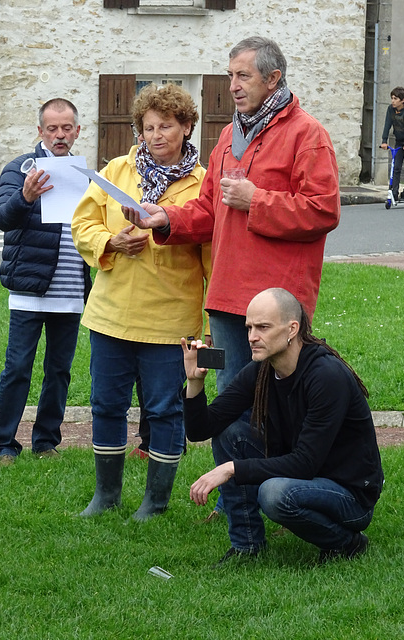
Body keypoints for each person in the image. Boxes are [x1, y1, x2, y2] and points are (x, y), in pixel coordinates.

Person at [123, 36, 340, 517]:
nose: (233, 85)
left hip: (276, 302)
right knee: (230, 404)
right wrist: (166, 219)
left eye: (243, 75)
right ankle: (234, 500)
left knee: (279, 407)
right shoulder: (229, 136)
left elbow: (323, 210)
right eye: (230, 75)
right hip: (225, 297)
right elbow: (207, 210)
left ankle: (284, 498)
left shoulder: (308, 134)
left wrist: (256, 200)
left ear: (273, 79)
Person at [71, 83, 210, 521]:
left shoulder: (202, 185)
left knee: (164, 410)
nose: (155, 135)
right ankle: (106, 496)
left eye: (166, 125)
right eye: (148, 127)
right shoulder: (116, 171)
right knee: (106, 404)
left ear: (187, 127)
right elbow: (82, 225)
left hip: (171, 320)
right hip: (110, 314)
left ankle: (156, 502)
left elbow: (214, 260)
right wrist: (110, 242)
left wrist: (207, 327)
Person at [182, 288, 384, 565]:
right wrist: (195, 383)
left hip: (349, 495)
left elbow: (304, 464)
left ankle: (348, 543)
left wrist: (231, 469)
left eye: (263, 327)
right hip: (306, 478)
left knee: (274, 493)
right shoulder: (262, 370)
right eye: (249, 327)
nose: (252, 336)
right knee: (230, 435)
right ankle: (246, 546)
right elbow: (200, 430)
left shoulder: (326, 376)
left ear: (292, 329)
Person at [0, 98, 91, 465]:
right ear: (40, 131)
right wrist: (25, 197)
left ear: (78, 131)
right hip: (29, 290)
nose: (60, 135)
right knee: (18, 367)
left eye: (67, 128)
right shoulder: (20, 168)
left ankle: (46, 441)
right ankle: (4, 445)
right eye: (52, 128)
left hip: (70, 289)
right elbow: (2, 217)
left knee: (59, 370)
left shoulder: (85, 174)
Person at [380, 86, 404, 201]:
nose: (393, 101)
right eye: (392, 98)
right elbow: (387, 125)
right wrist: (384, 141)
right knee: (396, 167)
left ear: (403, 100)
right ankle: (394, 192)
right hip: (399, 142)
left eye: (395, 98)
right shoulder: (390, 109)